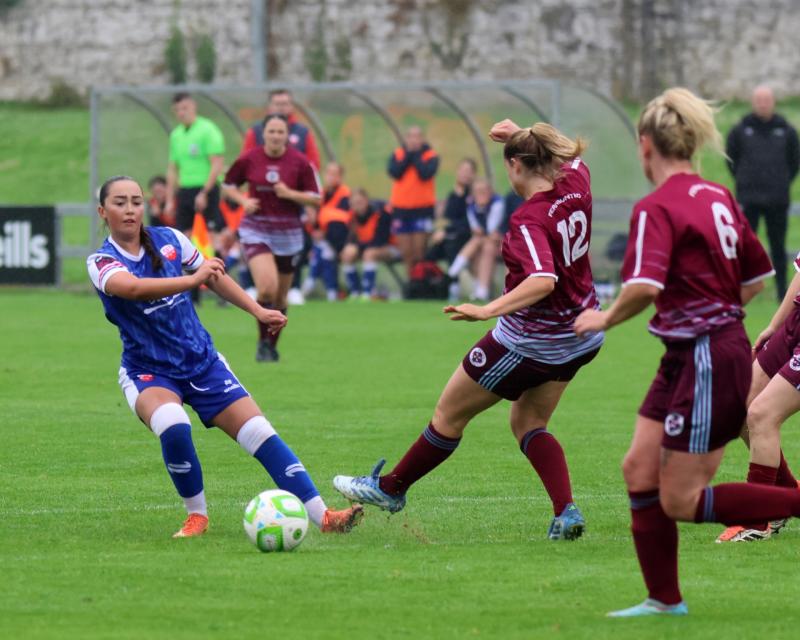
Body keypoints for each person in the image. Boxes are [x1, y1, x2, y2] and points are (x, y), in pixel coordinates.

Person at [573, 87, 800, 618]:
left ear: (645, 145)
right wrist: (711, 309)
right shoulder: (717, 195)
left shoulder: (656, 208)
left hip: (703, 354)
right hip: (692, 350)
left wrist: (604, 317)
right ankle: (664, 600)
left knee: (680, 499)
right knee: (638, 468)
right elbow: (757, 276)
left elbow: (645, 287)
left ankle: (671, 595)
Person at [334, 119, 605, 541]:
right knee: (528, 421)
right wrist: (525, 130)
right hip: (582, 334)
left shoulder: (529, 220)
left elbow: (542, 280)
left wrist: (487, 310)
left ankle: (391, 489)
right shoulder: (576, 182)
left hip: (531, 341)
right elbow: (572, 154)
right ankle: (566, 511)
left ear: (515, 166)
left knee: (448, 415)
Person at [86, 175, 362, 539]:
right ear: (103, 212)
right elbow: (133, 288)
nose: (130, 209)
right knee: (171, 421)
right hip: (149, 371)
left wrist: (258, 311)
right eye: (120, 202)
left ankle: (325, 517)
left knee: (260, 433)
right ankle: (196, 516)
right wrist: (191, 280)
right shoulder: (100, 260)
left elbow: (213, 277)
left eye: (136, 201)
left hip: (203, 362)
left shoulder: (171, 238)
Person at [715, 254, 800, 542]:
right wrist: (775, 326)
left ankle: (756, 518)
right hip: (795, 325)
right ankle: (785, 496)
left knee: (761, 414)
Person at [223, 114, 321, 362]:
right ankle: (262, 343)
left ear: (287, 136)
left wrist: (290, 194)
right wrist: (244, 201)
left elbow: (316, 198)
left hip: (288, 234)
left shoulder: (300, 163)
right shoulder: (250, 158)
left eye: (280, 132)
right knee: (267, 287)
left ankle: (271, 345)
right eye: (271, 131)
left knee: (280, 297)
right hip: (256, 229)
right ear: (263, 134)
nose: (276, 136)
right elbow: (228, 184)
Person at [726, 85, 800, 301]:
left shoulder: (786, 130)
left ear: (773, 102)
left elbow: (794, 162)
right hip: (749, 199)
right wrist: (745, 181)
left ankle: (781, 292)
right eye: (759, 100)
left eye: (766, 100)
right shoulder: (741, 130)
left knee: (778, 247)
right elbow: (732, 159)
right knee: (746, 246)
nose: (763, 104)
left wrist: (781, 182)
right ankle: (741, 289)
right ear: (753, 102)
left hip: (777, 200)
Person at [165, 93, 227, 255]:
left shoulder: (208, 130)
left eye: (185, 108)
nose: (181, 113)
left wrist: (205, 192)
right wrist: (170, 199)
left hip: (206, 189)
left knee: (211, 236)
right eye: (177, 110)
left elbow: (217, 164)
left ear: (193, 107)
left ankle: (218, 276)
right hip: (185, 190)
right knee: (183, 236)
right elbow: (172, 168)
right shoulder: (176, 135)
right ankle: (189, 277)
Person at [388, 126, 439, 277]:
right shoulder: (398, 154)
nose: (414, 140)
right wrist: (408, 155)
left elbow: (425, 173)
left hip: (422, 210)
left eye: (417, 137)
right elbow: (395, 172)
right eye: (411, 136)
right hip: (401, 210)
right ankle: (411, 283)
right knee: (406, 253)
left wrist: (415, 155)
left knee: (419, 251)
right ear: (406, 139)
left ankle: (420, 280)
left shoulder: (430, 155)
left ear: (422, 139)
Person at [446, 178, 505, 302]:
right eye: (478, 191)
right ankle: (481, 291)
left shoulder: (497, 203)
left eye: (484, 191)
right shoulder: (472, 206)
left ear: (490, 191)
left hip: (503, 243)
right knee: (482, 246)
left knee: (482, 243)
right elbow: (476, 229)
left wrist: (483, 233)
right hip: (486, 242)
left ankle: (453, 272)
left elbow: (491, 228)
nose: (481, 194)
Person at [426, 158, 477, 297]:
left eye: (468, 171)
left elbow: (469, 221)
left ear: (473, 175)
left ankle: (452, 286)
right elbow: (448, 219)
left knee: (451, 246)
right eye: (462, 170)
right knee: (431, 253)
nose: (465, 174)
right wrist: (440, 230)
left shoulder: (474, 195)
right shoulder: (453, 195)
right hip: (451, 235)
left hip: (468, 235)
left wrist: (446, 231)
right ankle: (433, 288)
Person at [302, 162, 352, 301]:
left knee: (323, 250)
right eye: (328, 173)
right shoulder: (322, 194)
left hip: (341, 238)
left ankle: (312, 282)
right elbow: (314, 221)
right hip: (324, 239)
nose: (330, 177)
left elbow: (339, 220)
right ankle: (331, 291)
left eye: (334, 174)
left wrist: (319, 227)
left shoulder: (345, 194)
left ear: (340, 177)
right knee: (323, 252)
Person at [239, 88, 321, 170]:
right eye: (277, 104)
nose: (281, 108)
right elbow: (245, 161)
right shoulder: (255, 131)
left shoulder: (303, 132)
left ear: (291, 106)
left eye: (285, 104)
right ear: (269, 106)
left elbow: (314, 163)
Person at [340, 188, 397, 299]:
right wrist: (351, 247)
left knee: (369, 253)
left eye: (360, 202)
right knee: (347, 253)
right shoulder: (352, 216)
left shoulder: (380, 213)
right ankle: (355, 292)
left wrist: (359, 246)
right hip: (367, 246)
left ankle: (368, 292)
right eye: (354, 203)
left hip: (391, 247)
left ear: (366, 200)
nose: (358, 206)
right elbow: (351, 239)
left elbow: (380, 240)